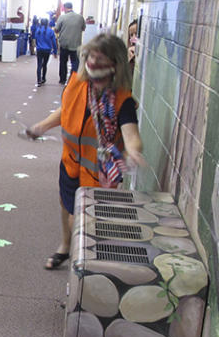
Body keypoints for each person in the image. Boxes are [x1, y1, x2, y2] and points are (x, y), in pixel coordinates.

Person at [23, 34, 145, 270]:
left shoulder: (122, 100)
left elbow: (131, 135)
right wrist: (41, 127)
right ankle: (65, 247)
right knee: (65, 205)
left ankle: (82, 275)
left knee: (81, 220)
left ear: (114, 66)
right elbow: (66, 110)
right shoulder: (78, 81)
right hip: (70, 161)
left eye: (100, 60)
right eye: (91, 58)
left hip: (97, 174)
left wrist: (133, 152)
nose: (93, 66)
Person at [54, 1, 86, 84]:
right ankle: (73, 80)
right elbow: (83, 28)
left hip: (64, 44)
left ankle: (62, 79)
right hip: (76, 44)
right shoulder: (80, 17)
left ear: (65, 8)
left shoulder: (62, 17)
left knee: (63, 62)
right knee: (75, 63)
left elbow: (56, 29)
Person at [34, 17, 58, 86]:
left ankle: (39, 80)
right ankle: (43, 78)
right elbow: (54, 42)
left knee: (39, 64)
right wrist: (55, 52)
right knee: (44, 64)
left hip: (39, 49)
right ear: (47, 23)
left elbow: (36, 40)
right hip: (47, 50)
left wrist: (37, 47)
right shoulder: (50, 31)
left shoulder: (38, 30)